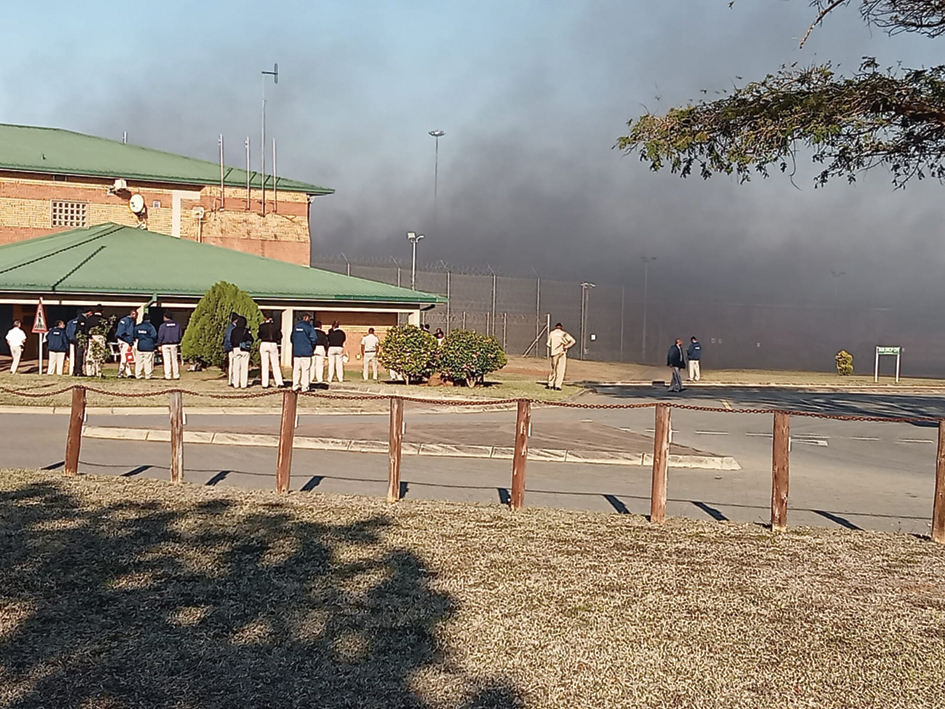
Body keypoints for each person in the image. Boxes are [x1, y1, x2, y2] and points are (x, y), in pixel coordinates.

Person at [291, 313, 317, 391]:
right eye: (309, 318)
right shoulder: (309, 327)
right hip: (306, 352)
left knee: (296, 369)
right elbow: (314, 338)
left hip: (297, 352)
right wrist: (311, 347)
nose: (310, 320)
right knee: (305, 370)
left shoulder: (296, 327)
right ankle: (305, 387)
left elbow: (292, 338)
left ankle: (295, 386)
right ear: (305, 318)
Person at [546, 322, 576, 390]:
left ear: (555, 327)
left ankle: (550, 384)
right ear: (561, 327)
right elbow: (573, 341)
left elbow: (548, 344)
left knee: (553, 369)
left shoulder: (552, 333)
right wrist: (566, 346)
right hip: (562, 352)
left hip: (554, 353)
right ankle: (557, 385)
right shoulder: (564, 334)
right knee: (560, 369)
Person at [257, 313, 284, 388]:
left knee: (265, 364)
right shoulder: (276, 326)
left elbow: (259, 335)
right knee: (275, 364)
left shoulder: (262, 326)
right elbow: (280, 336)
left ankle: (265, 383)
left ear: (265, 318)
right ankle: (279, 382)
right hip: (273, 344)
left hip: (264, 343)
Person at [157, 312, 182, 380]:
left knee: (167, 360)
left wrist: (159, 344)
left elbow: (160, 336)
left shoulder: (163, 326)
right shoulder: (177, 325)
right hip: (174, 344)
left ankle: (167, 375)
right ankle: (176, 375)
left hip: (165, 344)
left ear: (165, 317)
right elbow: (180, 335)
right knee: (175, 360)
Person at [229, 316, 253, 389]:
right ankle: (243, 384)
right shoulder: (246, 331)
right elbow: (251, 339)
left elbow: (231, 340)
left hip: (236, 349)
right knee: (244, 367)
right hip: (245, 350)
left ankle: (236, 384)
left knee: (236, 367)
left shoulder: (234, 330)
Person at [115, 308, 137, 378]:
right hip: (126, 341)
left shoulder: (123, 320)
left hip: (121, 339)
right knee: (125, 357)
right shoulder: (130, 322)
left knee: (125, 356)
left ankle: (128, 372)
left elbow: (119, 332)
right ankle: (121, 372)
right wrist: (130, 343)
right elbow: (129, 333)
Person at [72, 307, 93, 376]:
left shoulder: (80, 318)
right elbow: (81, 330)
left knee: (78, 356)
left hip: (78, 339)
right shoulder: (82, 319)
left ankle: (76, 371)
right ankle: (78, 371)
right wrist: (87, 335)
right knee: (79, 356)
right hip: (80, 340)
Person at [223, 312, 239, 386]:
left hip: (230, 347)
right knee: (232, 365)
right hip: (231, 348)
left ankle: (232, 380)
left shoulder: (230, 328)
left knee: (232, 365)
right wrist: (231, 347)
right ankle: (231, 380)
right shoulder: (231, 328)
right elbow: (229, 339)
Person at [65, 311, 80, 376]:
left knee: (72, 357)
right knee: (80, 357)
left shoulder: (70, 322)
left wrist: (71, 338)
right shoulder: (82, 321)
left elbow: (67, 332)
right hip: (79, 341)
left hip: (71, 341)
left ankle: (71, 371)